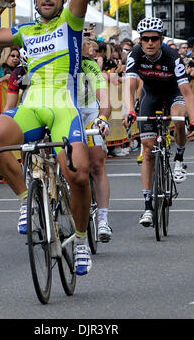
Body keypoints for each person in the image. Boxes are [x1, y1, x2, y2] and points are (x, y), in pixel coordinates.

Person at [0, 0, 106, 276]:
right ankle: (24, 202)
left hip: (64, 105)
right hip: (34, 104)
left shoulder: (70, 22)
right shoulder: (26, 31)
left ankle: (78, 241)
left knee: (77, 174)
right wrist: (0, 6)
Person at [123, 17, 194, 228]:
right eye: (145, 39)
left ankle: (179, 158)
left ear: (161, 39)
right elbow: (129, 87)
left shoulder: (172, 56)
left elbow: (187, 92)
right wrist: (130, 110)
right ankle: (148, 206)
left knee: (178, 118)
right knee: (147, 150)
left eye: (154, 39)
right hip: (151, 95)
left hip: (173, 92)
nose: (149, 43)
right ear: (140, 40)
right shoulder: (135, 54)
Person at [81, 40, 112, 241]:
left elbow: (105, 99)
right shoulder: (51, 62)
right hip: (62, 111)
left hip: (88, 111)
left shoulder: (89, 64)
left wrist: (102, 118)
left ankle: (102, 219)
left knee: (96, 164)